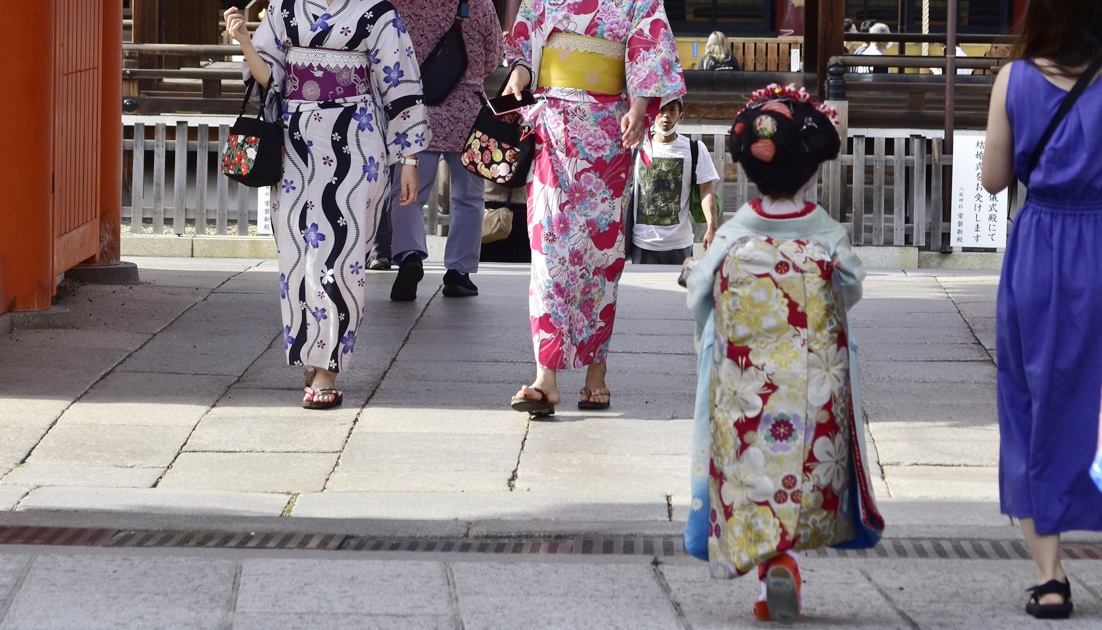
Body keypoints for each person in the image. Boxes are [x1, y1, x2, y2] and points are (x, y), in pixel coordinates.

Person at [684, 84, 881, 622]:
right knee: (799, 465)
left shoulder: (735, 233)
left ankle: (772, 558)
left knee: (751, 465)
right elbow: (851, 289)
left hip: (742, 378)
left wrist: (718, 331)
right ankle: (787, 558)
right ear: (813, 171)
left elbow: (700, 295)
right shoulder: (825, 233)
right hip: (812, 380)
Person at [223, 2, 429, 409]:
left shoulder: (376, 11)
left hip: (358, 139)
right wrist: (246, 42)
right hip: (295, 146)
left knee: (342, 255)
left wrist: (408, 159)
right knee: (299, 255)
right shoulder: (284, 8)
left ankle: (326, 367)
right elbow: (271, 81)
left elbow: (401, 82)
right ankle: (313, 349)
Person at [502, 0, 686, 415]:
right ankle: (544, 376)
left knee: (599, 255)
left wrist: (640, 106)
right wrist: (521, 70)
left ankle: (595, 372)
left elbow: (649, 50)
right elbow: (525, 39)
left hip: (608, 133)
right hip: (550, 126)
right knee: (547, 250)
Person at [980, 0, 1102, 619]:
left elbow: (995, 179)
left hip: (1042, 248)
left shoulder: (1015, 80)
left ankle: (1051, 579)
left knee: (1030, 403)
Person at [385, 0, 505, 301]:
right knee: (469, 197)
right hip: (466, 112)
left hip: (415, 111)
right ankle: (458, 273)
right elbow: (493, 55)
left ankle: (410, 255)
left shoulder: (401, 3)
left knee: (407, 193)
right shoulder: (478, 3)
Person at [629, 95, 719, 264]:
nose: (666, 115)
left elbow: (706, 190)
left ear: (681, 116)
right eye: (661, 110)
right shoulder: (637, 146)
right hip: (643, 243)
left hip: (680, 244)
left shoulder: (695, 149)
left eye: (672, 110)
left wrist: (712, 227)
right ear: (652, 114)